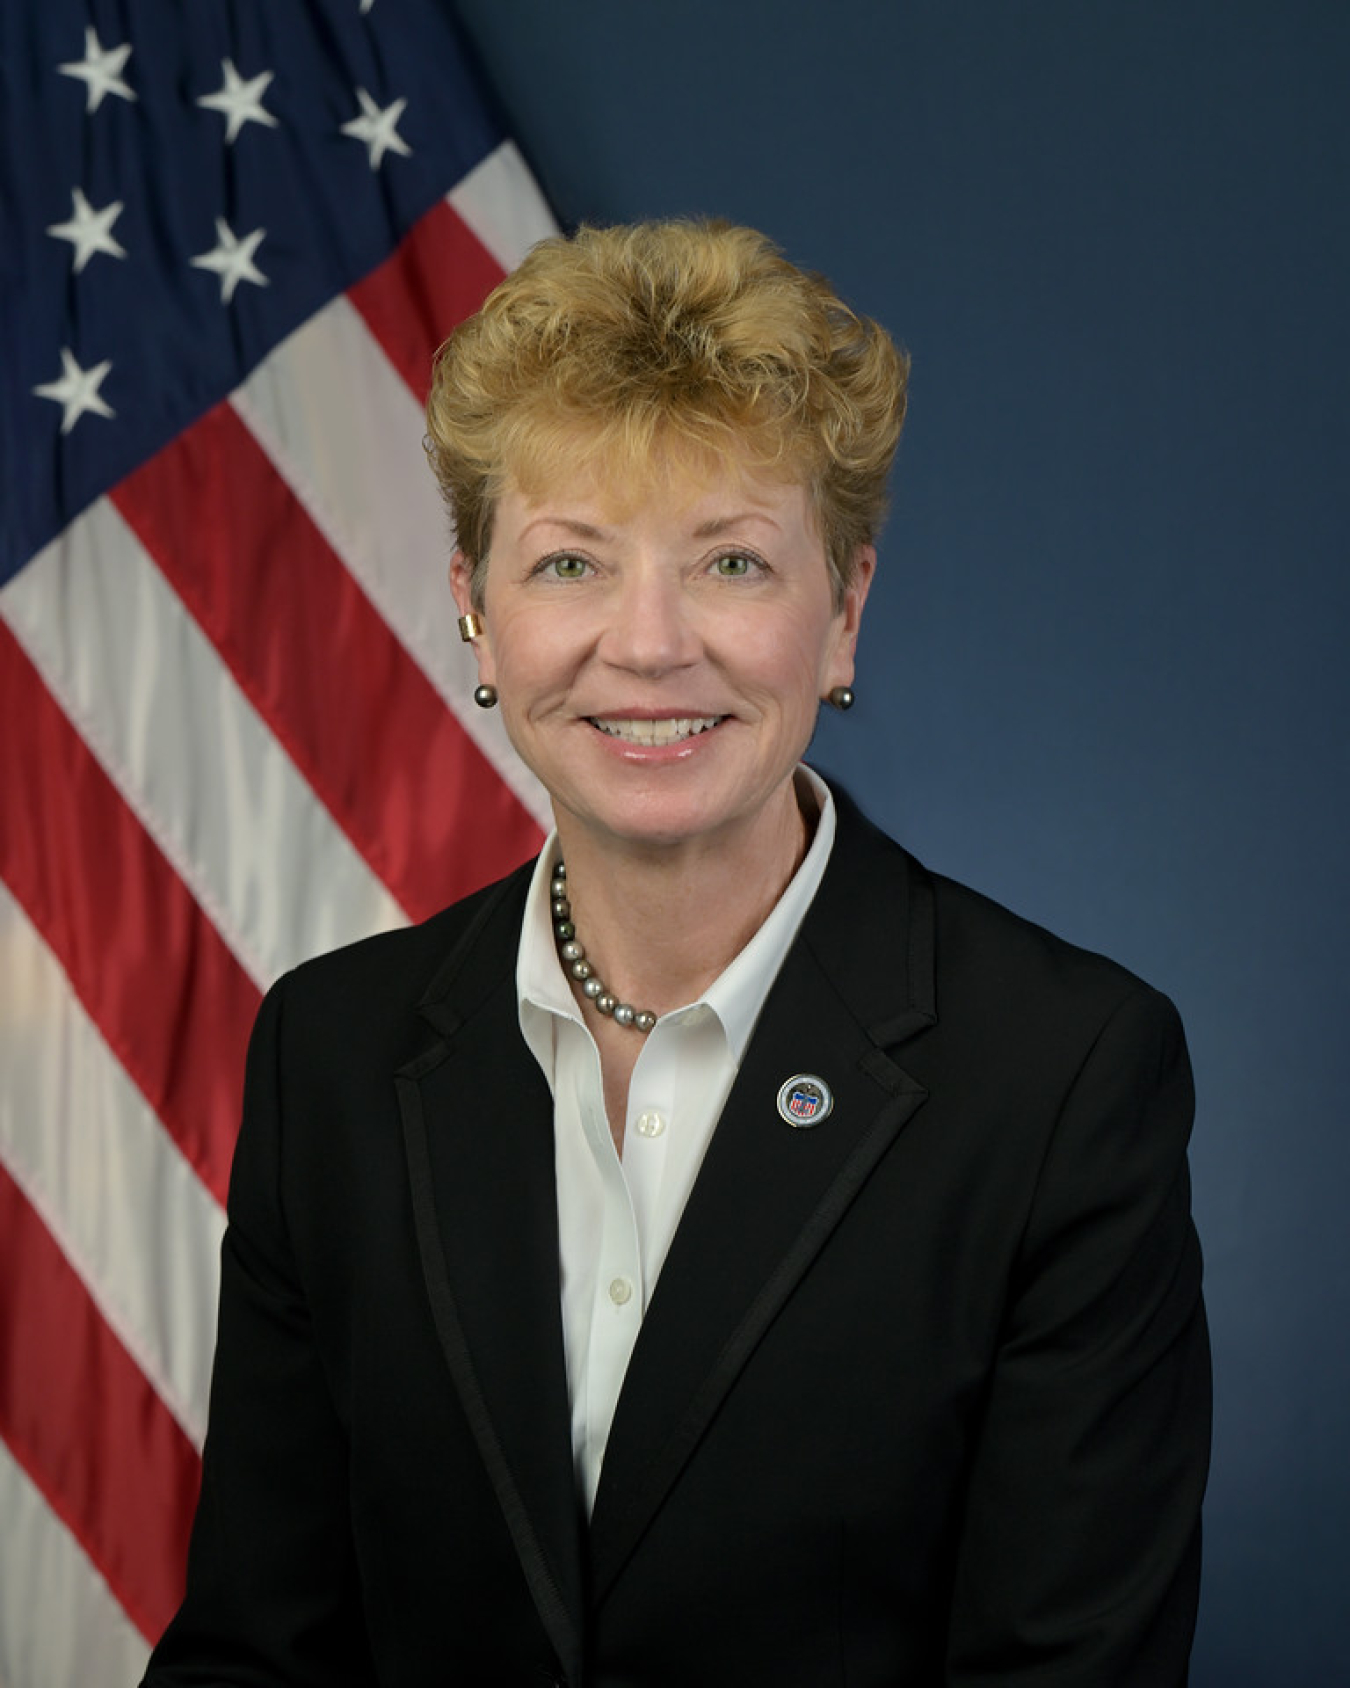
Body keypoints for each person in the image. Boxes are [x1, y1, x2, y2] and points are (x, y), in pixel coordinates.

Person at [141, 220, 1210, 1688]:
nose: (646, 646)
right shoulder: (331, 1051)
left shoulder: (1062, 1077)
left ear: (841, 613)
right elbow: (259, 1656)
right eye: (571, 561)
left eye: (728, 562)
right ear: (474, 611)